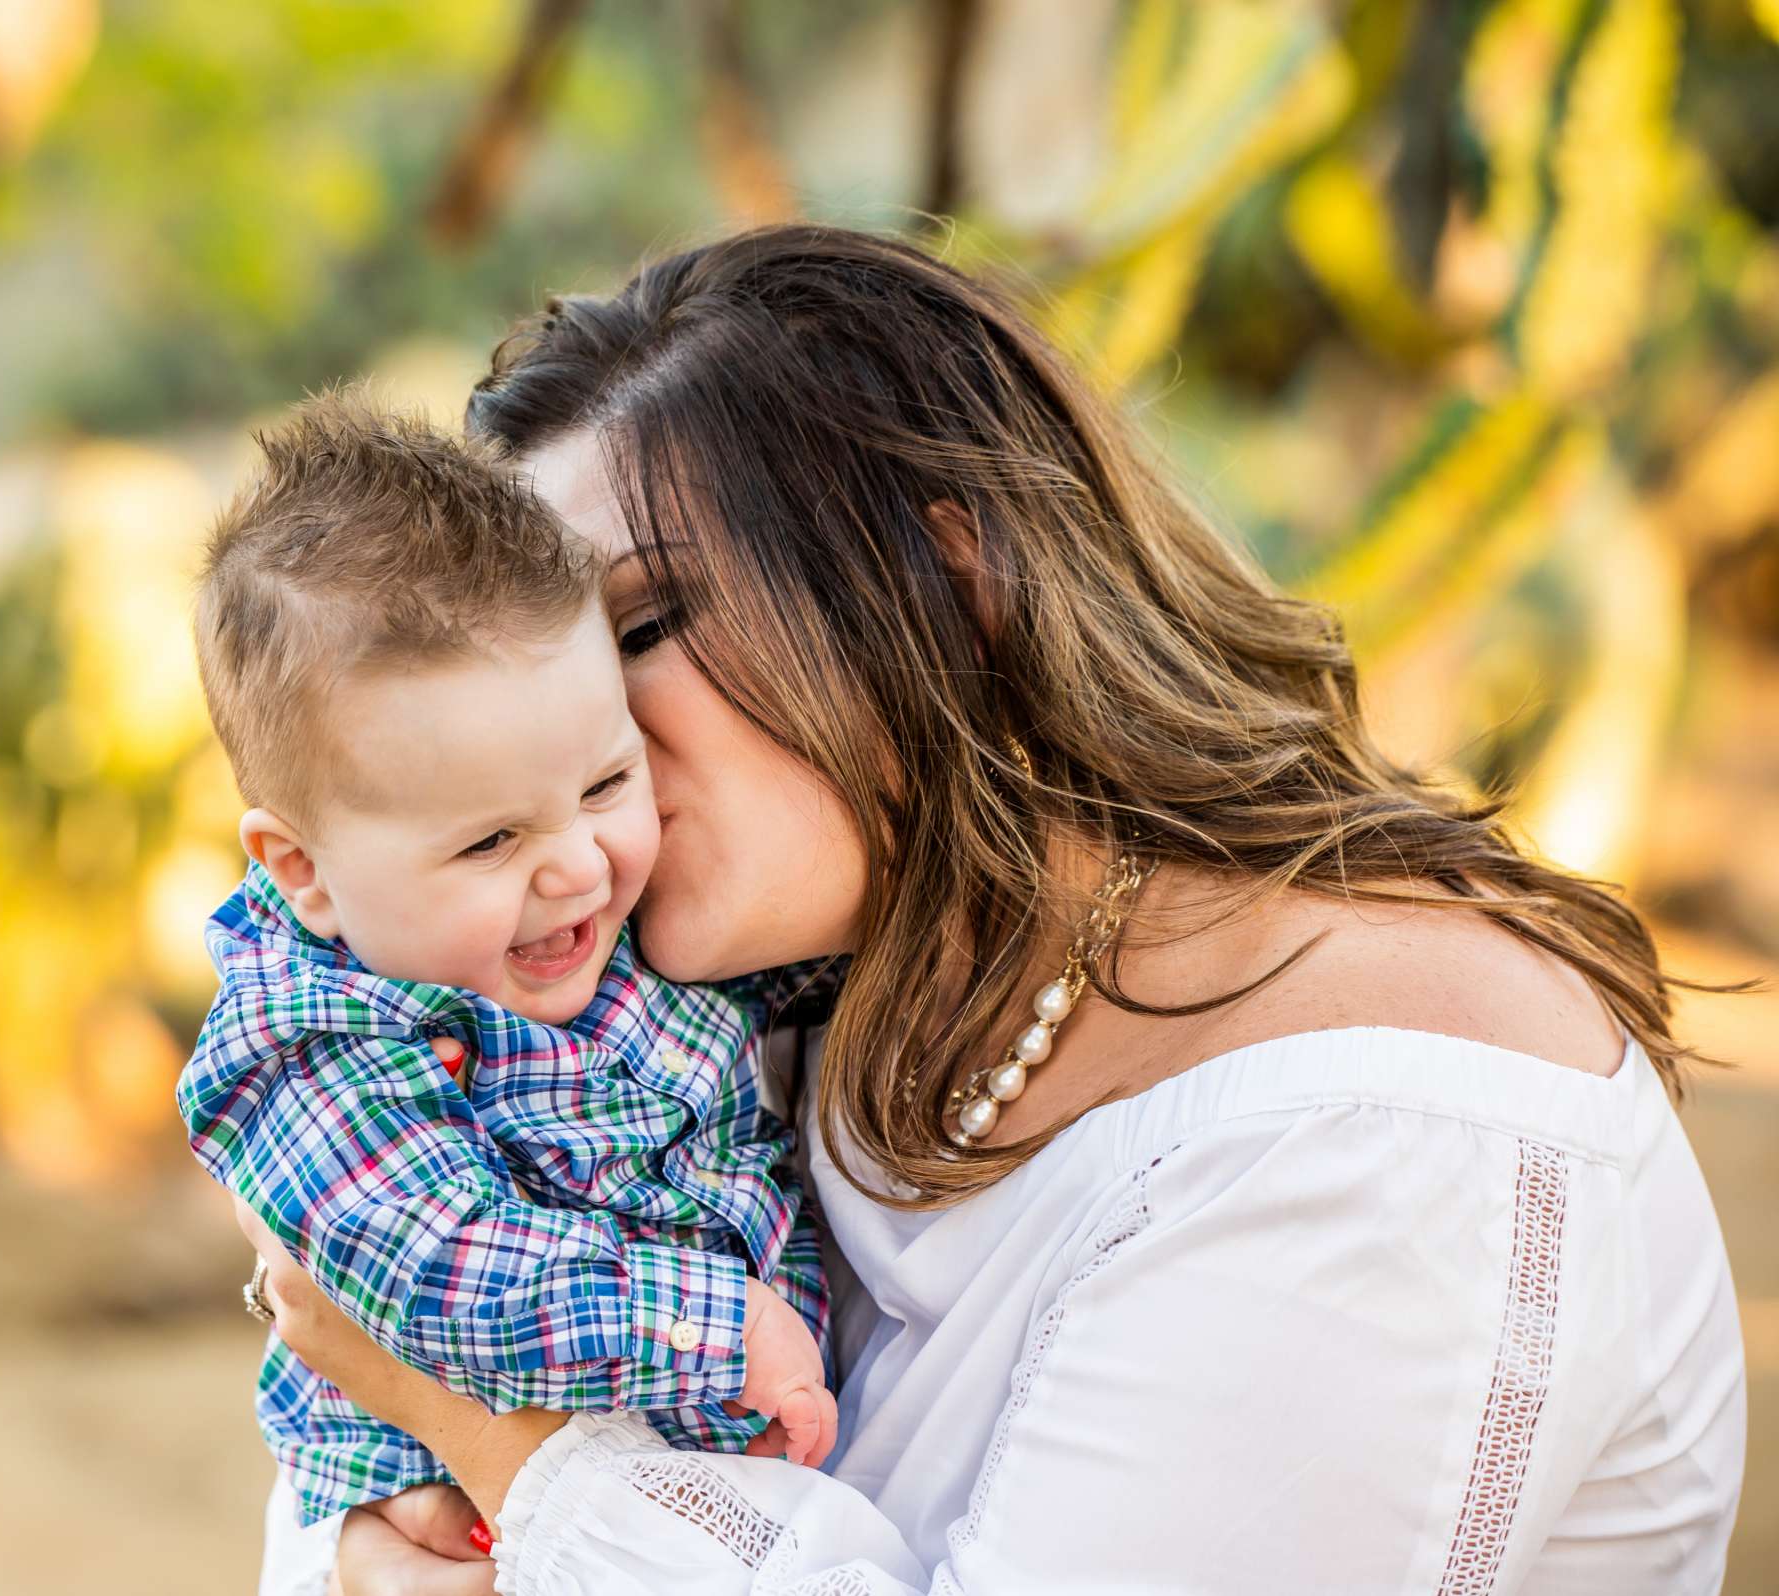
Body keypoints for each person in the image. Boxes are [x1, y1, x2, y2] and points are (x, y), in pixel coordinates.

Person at [238, 227, 1749, 1595]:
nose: (583, 743)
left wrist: (514, 1450)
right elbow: (349, 1388)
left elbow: (431, 1382)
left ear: (951, 574)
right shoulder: (755, 1008)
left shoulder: (1389, 1138)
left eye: (636, 625)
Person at [180, 391, 838, 1561]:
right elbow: (434, 1259)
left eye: (604, 786)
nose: (578, 867)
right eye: (490, 844)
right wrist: (717, 1329)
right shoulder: (309, 1045)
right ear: (303, 869)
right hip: (496, 1530)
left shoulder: (614, 931)